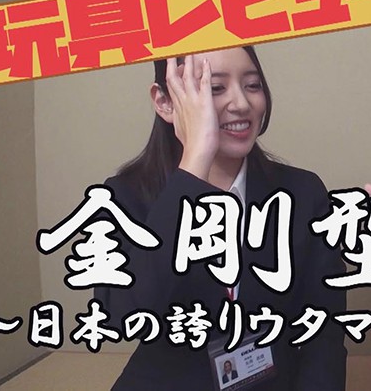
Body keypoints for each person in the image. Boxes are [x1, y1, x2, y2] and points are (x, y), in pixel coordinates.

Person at [95, 47, 347, 390]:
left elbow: (325, 332)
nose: (241, 103)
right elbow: (124, 316)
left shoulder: (303, 193)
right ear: (165, 102)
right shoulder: (124, 195)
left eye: (252, 85)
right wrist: (194, 163)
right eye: (215, 88)